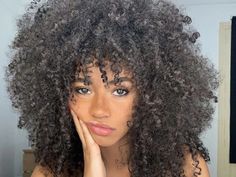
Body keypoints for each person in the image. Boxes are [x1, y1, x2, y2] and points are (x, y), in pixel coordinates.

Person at [6, 0, 218, 176]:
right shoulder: (50, 171)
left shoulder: (187, 167)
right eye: (83, 89)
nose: (99, 110)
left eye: (120, 91)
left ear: (151, 96)